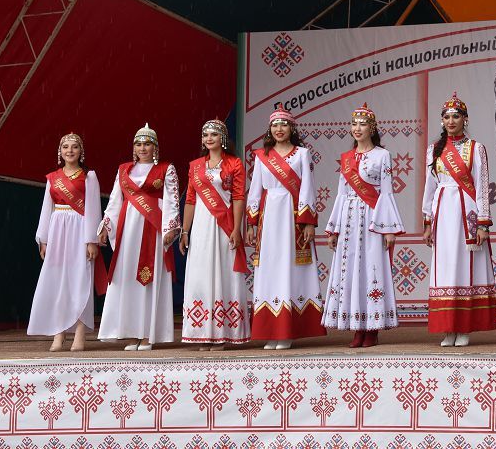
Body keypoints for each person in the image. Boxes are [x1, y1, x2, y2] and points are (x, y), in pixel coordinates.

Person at [324, 103, 404, 347]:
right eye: (354, 124)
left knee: (371, 267)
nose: (357, 128)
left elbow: (387, 192)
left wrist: (388, 228)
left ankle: (372, 328)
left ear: (372, 128)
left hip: (372, 218)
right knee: (350, 269)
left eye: (362, 124)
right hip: (348, 218)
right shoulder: (347, 158)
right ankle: (355, 327)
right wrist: (334, 227)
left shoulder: (382, 155)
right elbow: (340, 193)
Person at [421, 93, 496, 347]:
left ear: (465, 119)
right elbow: (429, 186)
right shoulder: (434, 149)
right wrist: (428, 220)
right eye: (446, 117)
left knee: (466, 266)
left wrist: (483, 223)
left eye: (456, 116)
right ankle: (447, 328)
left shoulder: (476, 148)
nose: (451, 121)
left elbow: (483, 186)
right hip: (443, 211)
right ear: (442, 121)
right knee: (444, 267)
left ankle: (464, 327)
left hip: (467, 211)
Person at [245, 109, 326, 350]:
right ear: (270, 130)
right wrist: (252, 222)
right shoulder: (262, 156)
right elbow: (255, 190)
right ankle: (271, 330)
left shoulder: (302, 153)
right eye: (275, 125)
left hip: (292, 217)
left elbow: (308, 189)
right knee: (270, 268)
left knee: (290, 268)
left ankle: (288, 330)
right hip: (269, 217)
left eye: (284, 125)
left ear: (292, 128)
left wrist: (308, 222)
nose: (279, 129)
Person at [98, 124, 180, 350]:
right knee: (128, 279)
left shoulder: (166, 168)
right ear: (133, 147)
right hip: (127, 230)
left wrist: (170, 228)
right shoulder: (124, 170)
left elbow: (172, 200)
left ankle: (148, 334)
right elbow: (115, 200)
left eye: (147, 144)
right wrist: (106, 225)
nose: (143, 148)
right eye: (139, 144)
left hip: (153, 229)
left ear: (155, 147)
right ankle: (132, 332)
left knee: (149, 278)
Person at [28, 134, 104, 351]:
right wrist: (43, 239)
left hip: (80, 229)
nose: (70, 151)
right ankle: (58, 334)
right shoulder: (52, 178)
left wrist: (92, 240)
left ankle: (80, 333)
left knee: (80, 281)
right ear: (59, 151)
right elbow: (46, 209)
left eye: (74, 147)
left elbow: (93, 209)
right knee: (58, 282)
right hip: (57, 229)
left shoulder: (89, 177)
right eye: (65, 147)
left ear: (81, 151)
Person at [179, 120, 251, 349]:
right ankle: (202, 333)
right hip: (200, 224)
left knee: (223, 273)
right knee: (201, 274)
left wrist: (237, 228)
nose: (209, 138)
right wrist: (185, 230)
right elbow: (190, 199)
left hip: (224, 225)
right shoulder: (195, 166)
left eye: (214, 134)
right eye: (205, 135)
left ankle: (222, 333)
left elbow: (239, 197)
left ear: (223, 138)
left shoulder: (234, 164)